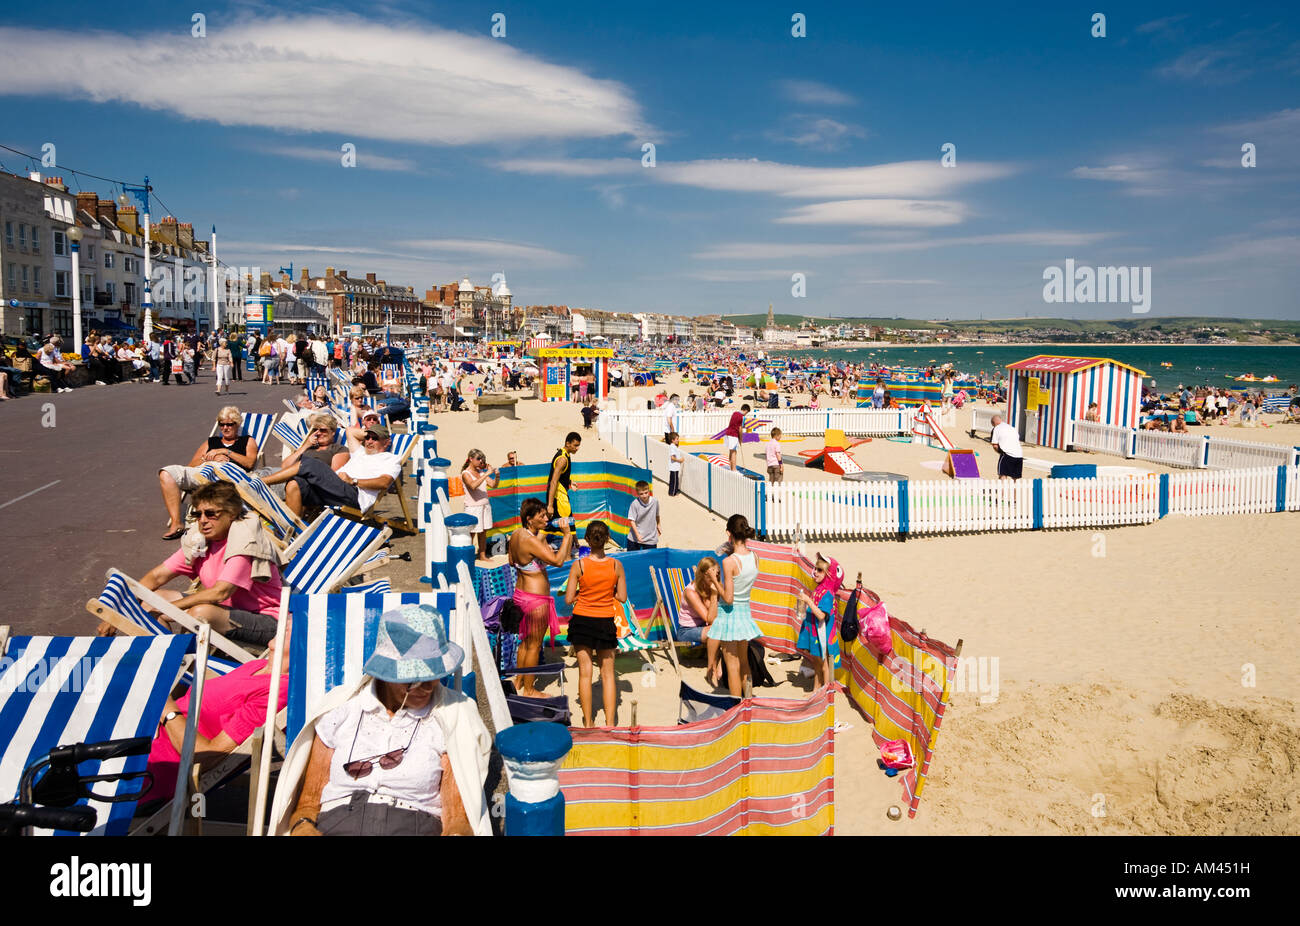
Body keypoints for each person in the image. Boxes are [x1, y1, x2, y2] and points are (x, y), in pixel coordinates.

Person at [282, 604, 491, 836]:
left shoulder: (451, 717)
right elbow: (308, 803)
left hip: (413, 825)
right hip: (337, 823)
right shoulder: (342, 710)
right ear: (387, 676)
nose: (429, 686)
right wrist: (303, 828)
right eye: (414, 679)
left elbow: (457, 818)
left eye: (435, 675)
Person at [120, 482, 285, 645]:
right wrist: (121, 608)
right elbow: (157, 576)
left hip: (267, 620)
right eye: (198, 515)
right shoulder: (202, 542)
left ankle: (184, 661)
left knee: (200, 613)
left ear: (232, 513)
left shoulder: (245, 543)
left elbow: (220, 593)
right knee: (151, 600)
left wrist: (170, 609)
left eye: (211, 513)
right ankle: (165, 656)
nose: (203, 520)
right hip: (224, 609)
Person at [142, 626, 292, 803]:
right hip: (145, 732)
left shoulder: (277, 693)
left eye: (296, 621)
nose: (289, 617)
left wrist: (167, 710)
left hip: (151, 768)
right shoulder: (258, 666)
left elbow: (204, 754)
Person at [158, 407, 260, 539]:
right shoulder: (211, 441)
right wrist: (208, 458)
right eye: (221, 424)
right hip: (202, 472)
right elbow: (191, 465)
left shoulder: (247, 441)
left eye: (229, 424)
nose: (225, 428)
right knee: (166, 473)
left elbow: (249, 463)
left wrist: (225, 452)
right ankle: (177, 524)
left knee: (216, 472)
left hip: (226, 477)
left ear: (237, 424)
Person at [262, 421, 402, 517]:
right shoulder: (360, 452)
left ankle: (261, 483)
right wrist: (368, 434)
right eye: (368, 437)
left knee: (310, 464)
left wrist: (353, 481)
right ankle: (293, 532)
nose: (369, 441)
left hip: (354, 494)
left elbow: (384, 482)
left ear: (387, 442)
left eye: (375, 438)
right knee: (296, 483)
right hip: (333, 490)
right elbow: (351, 431)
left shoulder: (391, 459)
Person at [563, 520, 627, 727]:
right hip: (605, 622)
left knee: (585, 673)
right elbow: (623, 597)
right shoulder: (616, 565)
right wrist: (608, 592)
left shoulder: (579, 565)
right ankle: (609, 723)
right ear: (607, 539)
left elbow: (568, 598)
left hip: (582, 621)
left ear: (588, 540)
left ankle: (588, 722)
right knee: (608, 675)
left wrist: (584, 592)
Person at [509, 497, 574, 697]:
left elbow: (512, 561)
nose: (547, 518)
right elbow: (558, 561)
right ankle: (529, 690)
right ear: (529, 519)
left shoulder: (516, 534)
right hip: (536, 600)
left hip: (520, 594)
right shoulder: (530, 540)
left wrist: (538, 550)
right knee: (535, 646)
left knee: (525, 642)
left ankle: (519, 681)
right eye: (542, 516)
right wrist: (567, 536)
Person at [713, 514, 762, 697]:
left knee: (731, 664)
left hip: (730, 614)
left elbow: (728, 597)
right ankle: (747, 701)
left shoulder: (728, 562)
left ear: (729, 533)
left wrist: (715, 581)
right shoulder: (755, 557)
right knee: (744, 662)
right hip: (745, 612)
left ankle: (735, 707)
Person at [795, 555, 842, 689]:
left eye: (820, 570)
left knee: (823, 665)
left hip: (822, 635)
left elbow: (821, 615)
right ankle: (816, 690)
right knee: (816, 663)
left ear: (829, 575)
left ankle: (826, 693)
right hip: (814, 633)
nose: (815, 572)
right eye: (815, 568)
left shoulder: (827, 593)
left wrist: (808, 601)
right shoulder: (819, 589)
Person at [678, 556, 722, 686]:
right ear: (703, 574)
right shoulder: (691, 592)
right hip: (687, 631)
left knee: (728, 627)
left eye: (718, 574)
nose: (716, 578)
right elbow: (709, 619)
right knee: (716, 628)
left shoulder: (714, 586)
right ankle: (711, 670)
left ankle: (721, 665)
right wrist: (714, 595)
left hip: (707, 627)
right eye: (712, 575)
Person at [460, 449, 500, 560]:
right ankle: (467, 556)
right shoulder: (465, 473)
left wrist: (497, 476)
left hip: (484, 506)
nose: (480, 461)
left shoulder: (480, 472)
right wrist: (487, 473)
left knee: (483, 532)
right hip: (473, 508)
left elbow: (493, 485)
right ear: (471, 459)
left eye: (482, 459)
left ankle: (482, 555)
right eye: (478, 459)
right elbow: (473, 486)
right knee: (471, 533)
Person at [546, 432, 581, 528]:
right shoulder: (562, 459)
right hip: (558, 497)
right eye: (575, 445)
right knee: (568, 525)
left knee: (558, 527)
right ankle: (575, 543)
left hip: (561, 495)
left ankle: (575, 543)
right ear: (567, 443)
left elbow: (561, 475)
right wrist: (550, 505)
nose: (577, 448)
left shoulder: (566, 454)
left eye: (578, 446)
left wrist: (570, 482)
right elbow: (554, 481)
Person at [626, 480, 660, 551]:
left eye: (646, 493)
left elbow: (657, 514)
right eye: (641, 494)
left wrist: (659, 525)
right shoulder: (634, 504)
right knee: (632, 558)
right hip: (635, 537)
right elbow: (632, 520)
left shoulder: (655, 501)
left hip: (651, 537)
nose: (644, 495)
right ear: (637, 493)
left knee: (651, 559)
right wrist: (637, 534)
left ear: (649, 491)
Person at [989, 414, 1024, 481]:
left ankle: (1002, 491)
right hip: (1019, 454)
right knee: (1015, 478)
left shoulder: (996, 428)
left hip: (1007, 454)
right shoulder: (1012, 428)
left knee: (1003, 475)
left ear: (993, 423)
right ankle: (1015, 491)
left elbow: (995, 445)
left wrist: (1000, 452)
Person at [724, 403, 750, 471]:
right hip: (733, 435)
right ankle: (734, 469)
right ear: (745, 410)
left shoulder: (734, 413)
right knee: (734, 452)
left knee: (731, 450)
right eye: (746, 413)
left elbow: (734, 423)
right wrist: (741, 439)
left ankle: (730, 466)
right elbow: (740, 429)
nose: (745, 414)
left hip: (728, 433)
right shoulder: (742, 417)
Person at [667, 432, 684, 497]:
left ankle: (671, 491)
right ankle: (673, 492)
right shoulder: (672, 447)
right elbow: (672, 457)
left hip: (674, 467)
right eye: (677, 439)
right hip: (674, 467)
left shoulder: (673, 446)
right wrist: (680, 460)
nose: (678, 440)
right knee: (674, 480)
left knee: (672, 480)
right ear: (672, 440)